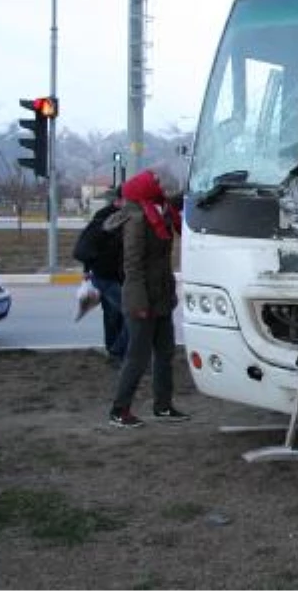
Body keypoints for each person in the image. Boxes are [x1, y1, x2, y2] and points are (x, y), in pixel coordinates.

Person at [107, 166, 190, 428]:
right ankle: (119, 411)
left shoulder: (156, 210)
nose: (160, 184)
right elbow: (132, 265)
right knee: (138, 357)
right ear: (144, 189)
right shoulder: (137, 219)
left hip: (161, 296)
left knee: (165, 353)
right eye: (155, 182)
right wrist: (140, 303)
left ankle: (163, 407)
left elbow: (175, 199)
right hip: (141, 299)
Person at [74, 189, 127, 364]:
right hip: (107, 275)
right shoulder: (108, 217)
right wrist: (88, 269)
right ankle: (117, 351)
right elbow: (89, 245)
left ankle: (114, 351)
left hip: (110, 275)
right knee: (128, 315)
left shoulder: (117, 216)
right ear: (120, 200)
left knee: (113, 315)